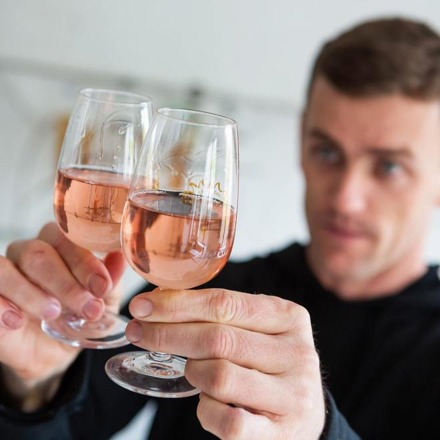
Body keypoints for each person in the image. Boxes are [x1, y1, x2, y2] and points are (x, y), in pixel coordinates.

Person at [1, 15, 440, 440]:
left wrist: (321, 433)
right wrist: (33, 387)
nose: (346, 197)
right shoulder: (214, 291)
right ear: (301, 143)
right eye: (326, 152)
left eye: (388, 166)